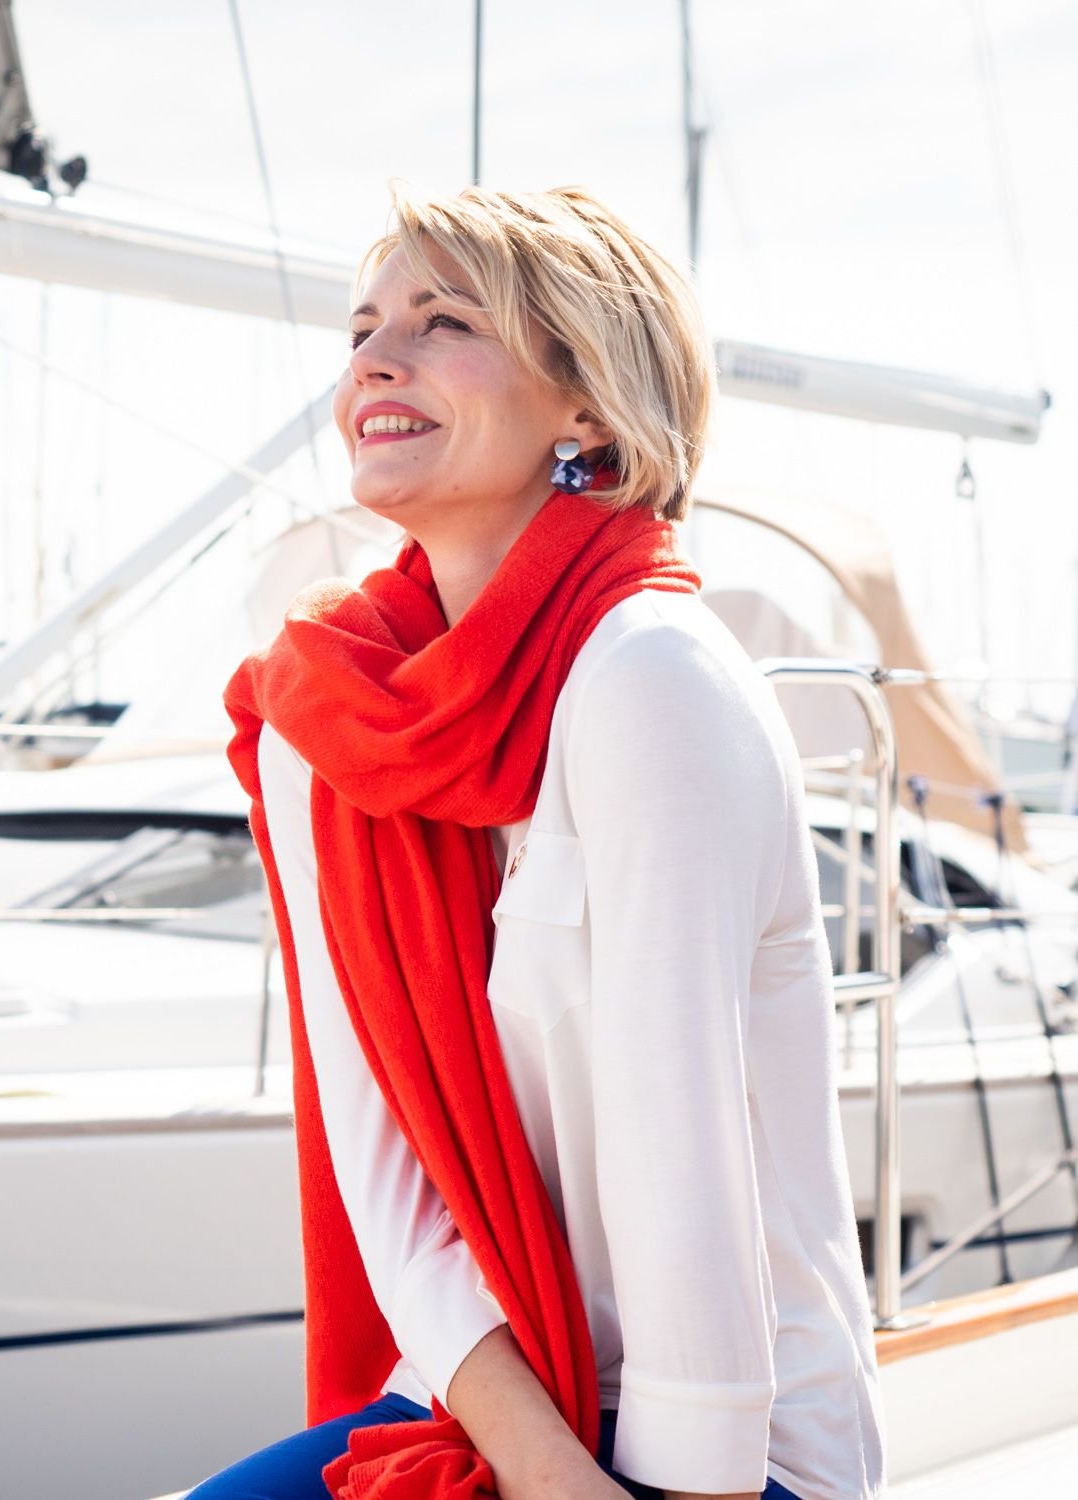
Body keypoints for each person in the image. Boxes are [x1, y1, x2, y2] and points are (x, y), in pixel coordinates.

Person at [210, 183, 886, 1500]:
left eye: (443, 319)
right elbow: (386, 1169)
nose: (376, 360)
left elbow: (674, 1175)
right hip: (499, 1401)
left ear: (586, 407)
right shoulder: (323, 713)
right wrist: (543, 1468)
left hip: (735, 1445)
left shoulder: (650, 676)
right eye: (362, 329)